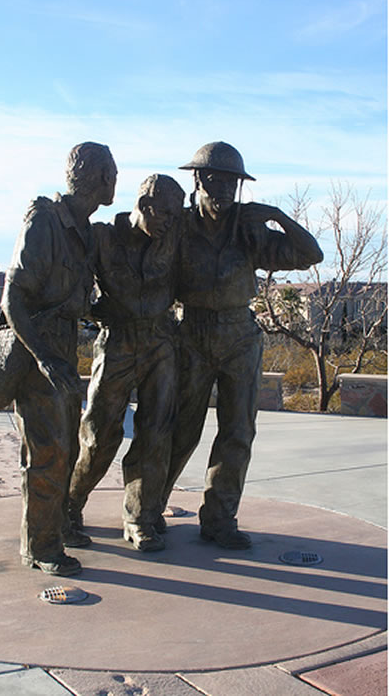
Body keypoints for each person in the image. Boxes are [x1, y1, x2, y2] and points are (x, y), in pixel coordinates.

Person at [161, 141, 324, 549]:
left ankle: (220, 520)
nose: (223, 190)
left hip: (239, 336)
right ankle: (148, 508)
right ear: (199, 180)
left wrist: (276, 215)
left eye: (231, 183)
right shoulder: (179, 227)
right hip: (191, 332)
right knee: (179, 429)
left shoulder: (250, 229)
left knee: (237, 432)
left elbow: (311, 254)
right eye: (216, 181)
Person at [1, 141, 117, 575]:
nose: (115, 181)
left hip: (63, 353)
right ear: (100, 177)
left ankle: (56, 529)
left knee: (65, 448)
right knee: (47, 453)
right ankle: (41, 547)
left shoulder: (84, 231)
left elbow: (77, 300)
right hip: (37, 357)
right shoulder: (44, 220)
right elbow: (13, 300)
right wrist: (45, 358)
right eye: (113, 173)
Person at [67, 174, 185, 551]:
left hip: (160, 343)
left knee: (156, 433)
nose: (170, 222)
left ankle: (140, 517)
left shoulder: (174, 237)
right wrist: (96, 312)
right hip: (117, 342)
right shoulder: (102, 237)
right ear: (145, 205)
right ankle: (70, 505)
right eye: (165, 214)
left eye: (176, 215)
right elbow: (76, 286)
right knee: (99, 435)